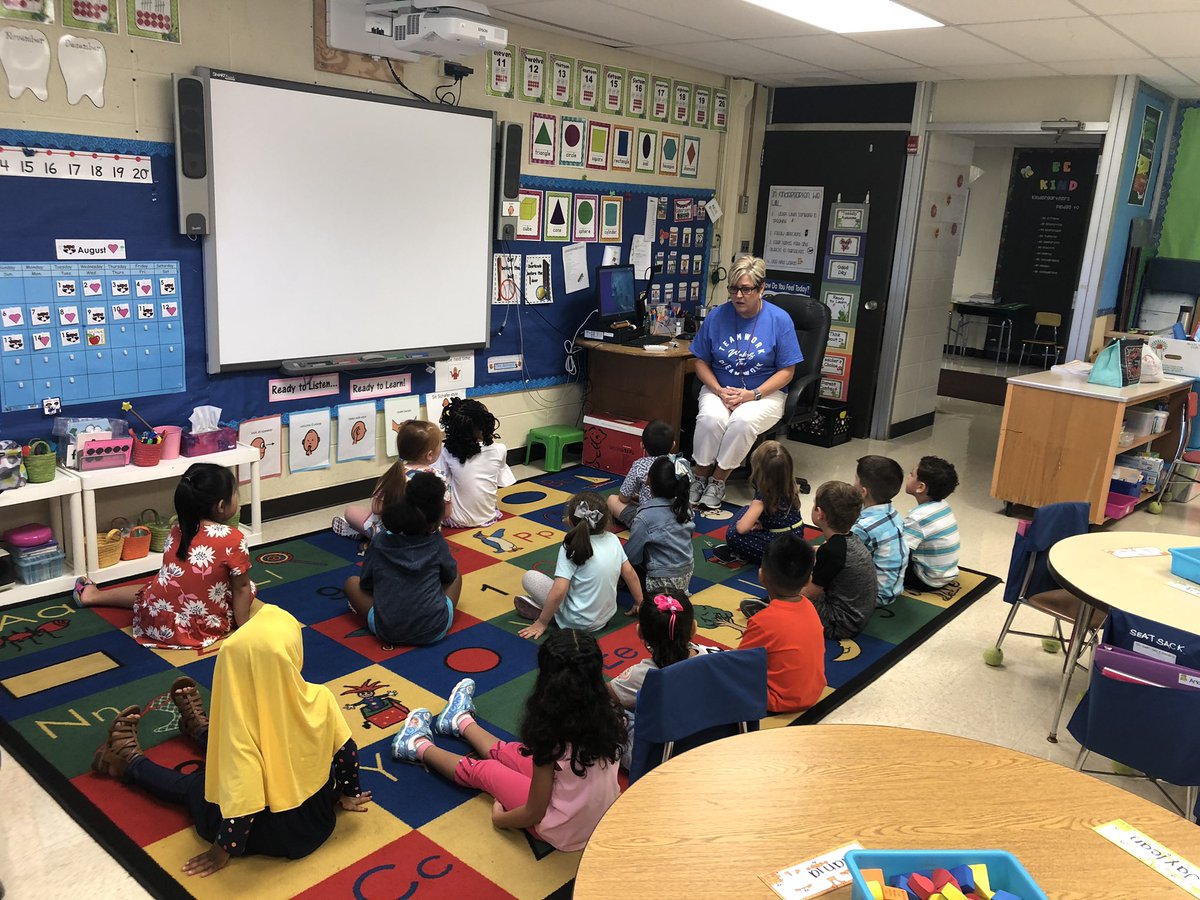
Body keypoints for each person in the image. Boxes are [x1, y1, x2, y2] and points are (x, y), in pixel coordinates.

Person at [89, 605, 372, 877]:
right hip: (314, 818)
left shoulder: (241, 727)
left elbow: (245, 800)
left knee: (194, 785)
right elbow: (346, 751)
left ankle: (127, 761)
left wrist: (223, 850)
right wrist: (348, 794)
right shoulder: (320, 697)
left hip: (267, 831)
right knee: (239, 743)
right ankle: (197, 727)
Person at [391, 629, 624, 853]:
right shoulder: (611, 716)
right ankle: (460, 721)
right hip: (599, 816)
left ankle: (416, 745)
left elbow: (534, 813)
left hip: (562, 829)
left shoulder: (551, 737)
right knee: (514, 752)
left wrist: (501, 819)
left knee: (486, 770)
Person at [73, 463, 255, 649]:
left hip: (155, 621)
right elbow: (241, 587)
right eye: (235, 494)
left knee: (155, 588)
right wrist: (245, 627)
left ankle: (93, 596)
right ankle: (94, 596)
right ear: (221, 506)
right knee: (247, 587)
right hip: (197, 630)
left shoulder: (177, 529)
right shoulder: (234, 539)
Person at [688, 256, 803, 509]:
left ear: (761, 289)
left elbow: (787, 371)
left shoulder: (779, 320)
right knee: (710, 420)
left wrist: (752, 395)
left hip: (765, 393)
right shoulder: (717, 316)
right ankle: (699, 477)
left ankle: (718, 481)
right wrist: (718, 390)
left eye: (746, 289)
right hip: (720, 388)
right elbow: (699, 361)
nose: (738, 296)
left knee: (742, 422)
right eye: (733, 289)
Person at [342, 472, 462, 646]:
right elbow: (450, 576)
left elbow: (366, 583)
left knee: (351, 583)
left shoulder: (380, 540)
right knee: (457, 578)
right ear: (436, 520)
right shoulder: (436, 542)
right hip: (435, 628)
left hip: (387, 631)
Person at [607, 591, 720, 768]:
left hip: (661, 760)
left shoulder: (644, 674)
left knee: (610, 711)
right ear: (694, 628)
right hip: (713, 745)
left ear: (640, 632)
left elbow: (608, 693)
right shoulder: (718, 657)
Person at [514, 492, 644, 638]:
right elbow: (630, 574)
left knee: (530, 577)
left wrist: (541, 622)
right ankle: (549, 613)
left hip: (575, 622)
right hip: (605, 618)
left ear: (569, 521)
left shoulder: (570, 547)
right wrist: (640, 602)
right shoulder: (613, 539)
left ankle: (549, 617)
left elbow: (559, 591)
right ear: (606, 519)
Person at [736, 533, 825, 714]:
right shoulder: (808, 606)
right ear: (808, 580)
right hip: (813, 692)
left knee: (712, 671)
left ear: (761, 575)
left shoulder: (763, 621)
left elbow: (739, 665)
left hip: (777, 700)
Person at [334, 419, 450, 540]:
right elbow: (446, 513)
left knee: (350, 511)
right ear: (430, 455)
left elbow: (376, 509)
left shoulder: (394, 475)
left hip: (392, 538)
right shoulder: (439, 478)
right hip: (428, 538)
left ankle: (367, 533)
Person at [803, 481, 877, 640]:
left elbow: (811, 593)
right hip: (858, 614)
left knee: (789, 588)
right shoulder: (850, 540)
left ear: (820, 513)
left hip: (839, 624)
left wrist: (785, 588)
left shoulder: (831, 551)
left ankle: (771, 609)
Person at [716, 440, 803, 565]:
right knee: (750, 512)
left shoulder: (762, 497)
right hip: (796, 539)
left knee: (734, 533)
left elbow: (741, 529)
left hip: (777, 549)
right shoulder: (791, 488)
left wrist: (743, 523)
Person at [623, 457, 695, 601]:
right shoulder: (684, 507)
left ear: (648, 480)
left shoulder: (645, 517)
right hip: (686, 573)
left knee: (621, 561)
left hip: (660, 581)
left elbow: (632, 557)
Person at [440, 398, 516, 528]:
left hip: (455, 520)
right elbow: (502, 481)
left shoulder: (446, 451)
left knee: (445, 479)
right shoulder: (499, 449)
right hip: (488, 517)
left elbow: (441, 482)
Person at [606, 419, 691, 528]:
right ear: (673, 445)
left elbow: (623, 498)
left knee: (612, 500)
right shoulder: (681, 463)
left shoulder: (639, 465)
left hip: (651, 520)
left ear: (642, 445)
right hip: (681, 514)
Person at [852, 455, 909, 607]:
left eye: (855, 479)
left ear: (863, 491)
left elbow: (844, 557)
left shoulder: (863, 527)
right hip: (894, 589)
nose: (853, 483)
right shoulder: (894, 513)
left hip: (871, 597)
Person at [903, 456, 961, 593]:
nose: (908, 476)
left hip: (925, 579)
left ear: (920, 487)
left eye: (911, 474)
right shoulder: (944, 505)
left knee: (885, 553)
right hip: (947, 572)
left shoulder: (918, 518)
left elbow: (901, 551)